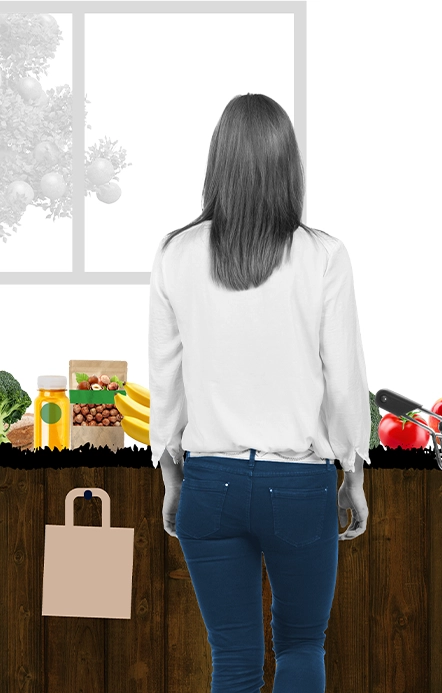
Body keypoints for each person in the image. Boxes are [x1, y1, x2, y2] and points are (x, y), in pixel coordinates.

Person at [149, 93, 371, 693]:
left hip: (210, 484)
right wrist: (353, 469)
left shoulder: (176, 253)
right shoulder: (324, 255)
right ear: (288, 167)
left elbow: (164, 379)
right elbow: (345, 378)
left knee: (234, 661)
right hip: (299, 485)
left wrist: (171, 475)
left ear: (218, 161)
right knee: (302, 645)